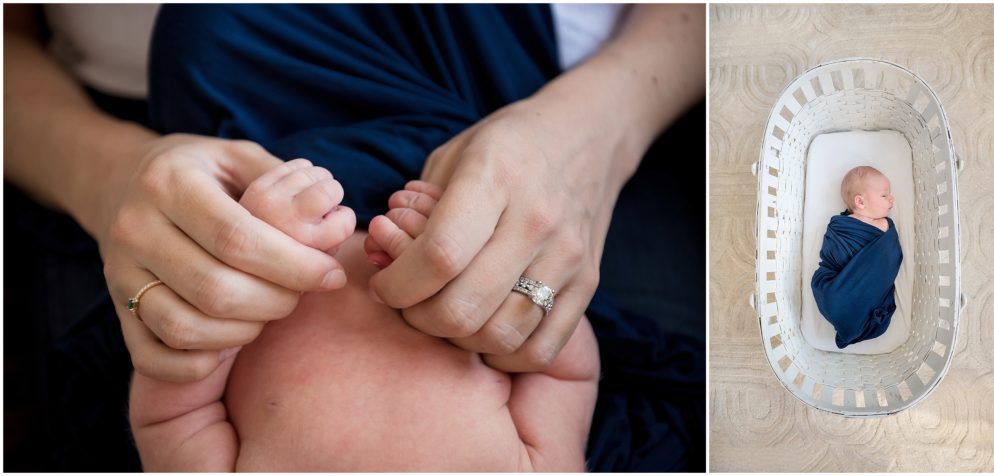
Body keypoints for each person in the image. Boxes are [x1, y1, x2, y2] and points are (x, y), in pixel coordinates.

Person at [5, 4, 704, 470]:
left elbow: (169, 412)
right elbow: (572, 366)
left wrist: (202, 329)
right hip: (496, 134)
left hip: (236, 163)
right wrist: (532, 303)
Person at [129, 162, 600, 470]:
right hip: (445, 174)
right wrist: (497, 277)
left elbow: (172, 417)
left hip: (259, 179)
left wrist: (238, 290)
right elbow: (564, 370)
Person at [811, 166, 903, 348]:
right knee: (835, 296)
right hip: (833, 283)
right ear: (860, 202)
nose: (891, 199)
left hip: (847, 292)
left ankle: (848, 316)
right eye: (884, 195)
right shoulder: (839, 227)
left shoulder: (882, 226)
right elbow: (832, 255)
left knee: (841, 300)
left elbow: (888, 256)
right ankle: (846, 312)